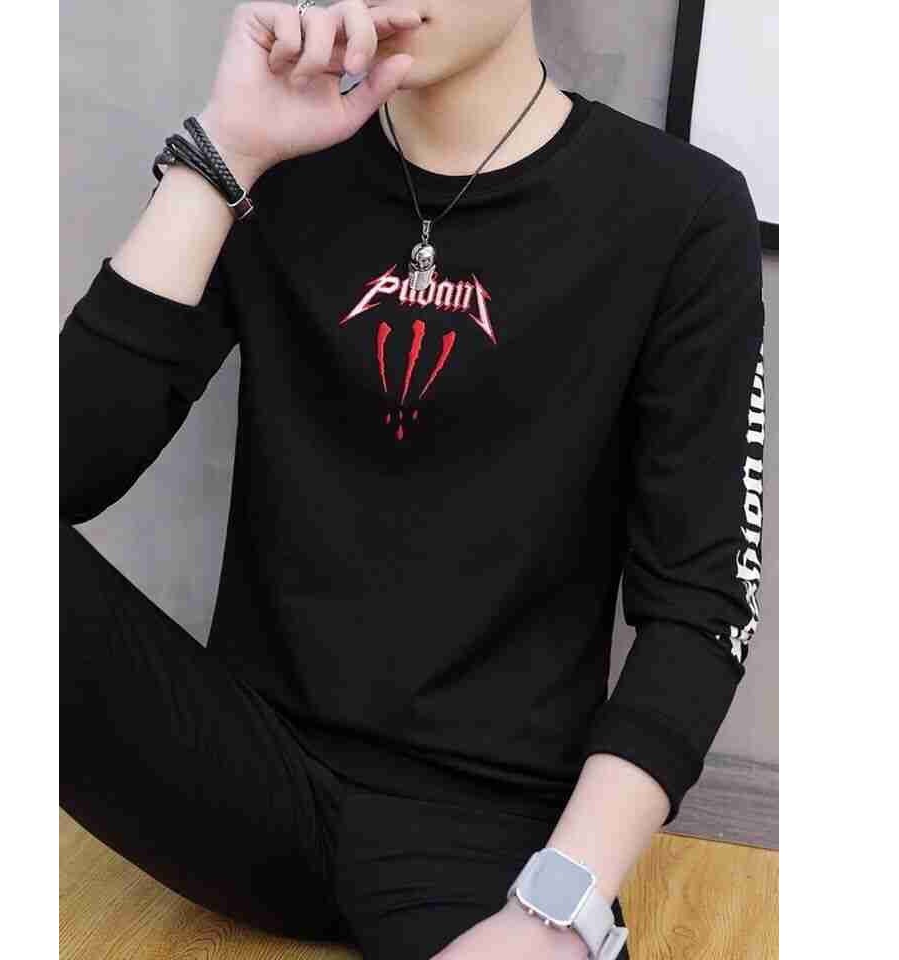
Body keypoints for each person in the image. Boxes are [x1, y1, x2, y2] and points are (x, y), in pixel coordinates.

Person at [59, 1, 766, 958]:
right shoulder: (279, 170)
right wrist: (227, 150)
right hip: (242, 781)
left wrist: (558, 905)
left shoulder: (679, 210)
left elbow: (702, 606)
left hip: (485, 835)